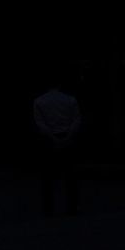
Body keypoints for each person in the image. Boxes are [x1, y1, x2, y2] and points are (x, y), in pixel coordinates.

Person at [32, 69, 82, 216]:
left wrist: (53, 138)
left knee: (47, 176)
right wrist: (68, 136)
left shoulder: (39, 101)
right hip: (67, 137)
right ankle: (72, 206)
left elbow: (40, 123)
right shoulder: (70, 100)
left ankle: (49, 208)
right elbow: (77, 119)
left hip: (49, 140)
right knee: (70, 175)